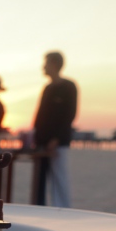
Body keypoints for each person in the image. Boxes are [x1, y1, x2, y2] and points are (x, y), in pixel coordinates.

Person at [33, 52, 78, 207]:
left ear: (54, 64)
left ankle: (64, 210)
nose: (43, 67)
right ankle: (41, 208)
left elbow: (69, 115)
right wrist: (36, 137)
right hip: (42, 142)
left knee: (60, 177)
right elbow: (39, 115)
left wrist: (56, 139)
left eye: (46, 63)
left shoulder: (69, 87)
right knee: (40, 179)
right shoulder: (47, 88)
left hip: (59, 142)